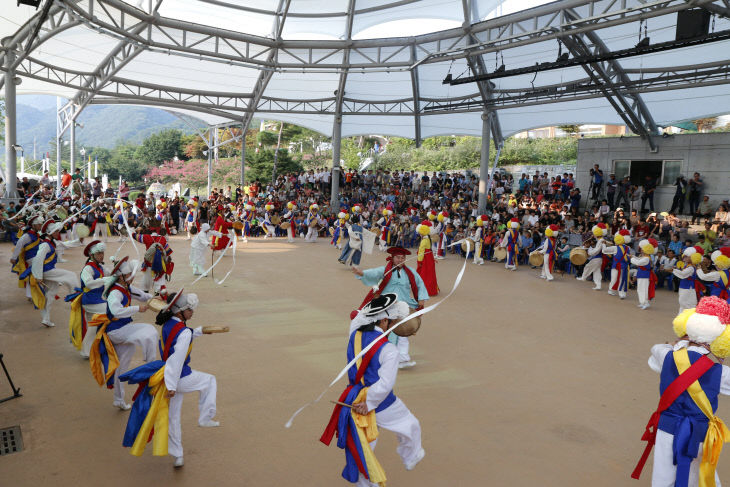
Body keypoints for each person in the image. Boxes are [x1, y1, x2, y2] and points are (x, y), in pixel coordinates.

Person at [320, 294, 424, 487]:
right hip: (382, 404)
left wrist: (365, 403)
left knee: (363, 448)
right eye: (392, 321)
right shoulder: (389, 350)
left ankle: (365, 483)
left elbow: (358, 316)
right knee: (410, 425)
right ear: (384, 320)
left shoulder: (354, 333)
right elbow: (385, 384)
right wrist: (368, 403)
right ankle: (410, 457)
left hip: (353, 399)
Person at [633, 297, 730, 487]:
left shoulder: (666, 356)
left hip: (666, 427)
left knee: (663, 473)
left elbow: (656, 350)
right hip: (700, 432)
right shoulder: (721, 372)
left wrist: (678, 344)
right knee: (701, 472)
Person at [119, 291, 219, 468]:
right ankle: (205, 417)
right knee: (209, 380)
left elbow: (179, 337)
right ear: (181, 311)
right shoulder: (183, 332)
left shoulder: (168, 324)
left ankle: (178, 455)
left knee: (173, 417)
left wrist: (200, 331)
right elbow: (177, 358)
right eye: (190, 310)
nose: (192, 312)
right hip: (178, 377)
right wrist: (172, 385)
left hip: (165, 376)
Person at [87, 257, 157, 410]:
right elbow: (115, 310)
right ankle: (151, 365)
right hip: (116, 331)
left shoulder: (126, 287)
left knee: (121, 366)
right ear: (121, 276)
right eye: (130, 276)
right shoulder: (115, 293)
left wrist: (158, 298)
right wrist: (138, 309)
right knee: (149, 331)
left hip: (120, 330)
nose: (132, 278)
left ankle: (118, 399)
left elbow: (144, 296)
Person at [351, 247, 429, 369]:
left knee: (404, 332)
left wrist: (421, 300)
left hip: (404, 306)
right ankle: (387, 358)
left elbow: (420, 284)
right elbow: (374, 273)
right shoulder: (385, 271)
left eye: (403, 258)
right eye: (398, 257)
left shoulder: (410, 272)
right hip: (387, 306)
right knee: (387, 333)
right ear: (392, 258)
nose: (400, 260)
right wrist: (362, 273)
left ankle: (403, 358)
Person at [24, 219, 79, 327]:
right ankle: (76, 298)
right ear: (50, 233)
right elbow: (38, 259)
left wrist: (79, 240)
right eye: (56, 232)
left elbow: (66, 244)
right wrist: (38, 276)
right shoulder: (45, 245)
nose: (58, 233)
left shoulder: (53, 243)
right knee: (71, 275)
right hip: (47, 271)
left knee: (50, 294)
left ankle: (46, 319)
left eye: (58, 231)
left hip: (47, 271)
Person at [673, 246, 705, 313]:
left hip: (688, 287)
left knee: (685, 303)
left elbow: (682, 274)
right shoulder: (687, 265)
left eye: (686, 256)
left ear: (692, 258)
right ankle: (681, 317)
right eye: (684, 256)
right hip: (684, 285)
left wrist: (672, 270)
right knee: (683, 302)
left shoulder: (691, 268)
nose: (684, 257)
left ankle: (687, 317)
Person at [576, 223, 608, 290]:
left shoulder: (601, 240)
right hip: (598, 258)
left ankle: (583, 277)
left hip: (597, 258)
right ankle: (598, 285)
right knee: (597, 272)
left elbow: (597, 250)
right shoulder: (600, 240)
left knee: (587, 267)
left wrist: (589, 252)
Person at [603, 229, 632, 299]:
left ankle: (621, 292)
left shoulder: (626, 248)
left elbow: (604, 250)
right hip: (618, 266)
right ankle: (612, 290)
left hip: (622, 266)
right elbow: (604, 251)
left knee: (620, 279)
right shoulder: (627, 248)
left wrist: (603, 244)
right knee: (616, 279)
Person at [632, 238, 659, 310]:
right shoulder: (645, 257)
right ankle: (642, 302)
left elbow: (637, 262)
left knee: (643, 289)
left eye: (643, 249)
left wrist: (632, 259)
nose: (641, 250)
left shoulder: (647, 258)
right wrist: (633, 257)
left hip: (644, 276)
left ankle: (646, 303)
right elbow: (638, 260)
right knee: (640, 289)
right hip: (641, 275)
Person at [415, 220, 438, 296]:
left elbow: (421, 253)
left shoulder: (424, 241)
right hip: (429, 257)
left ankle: (424, 289)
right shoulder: (428, 239)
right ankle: (431, 289)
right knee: (430, 274)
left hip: (425, 259)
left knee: (424, 273)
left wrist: (419, 261)